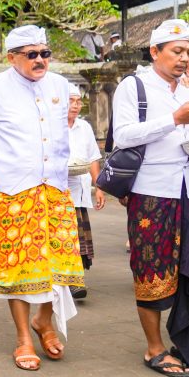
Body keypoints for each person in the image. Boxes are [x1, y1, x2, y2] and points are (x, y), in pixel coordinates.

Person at [113, 19, 189, 377]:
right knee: (153, 272)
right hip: (152, 191)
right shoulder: (133, 86)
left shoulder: (188, 90)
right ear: (154, 52)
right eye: (177, 52)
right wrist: (173, 119)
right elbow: (124, 135)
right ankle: (155, 349)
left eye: (188, 53)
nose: (183, 60)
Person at [0, 25, 85, 371]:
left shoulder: (61, 86)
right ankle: (23, 337)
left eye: (44, 53)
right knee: (17, 269)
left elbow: (61, 136)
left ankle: (44, 321)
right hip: (11, 192)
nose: (40, 60)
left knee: (58, 266)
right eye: (31, 54)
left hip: (54, 189)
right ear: (12, 57)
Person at [66, 84, 105, 299]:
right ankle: (71, 280)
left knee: (79, 238)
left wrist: (98, 187)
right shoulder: (51, 128)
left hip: (80, 192)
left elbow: (92, 157)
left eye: (78, 101)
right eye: (70, 101)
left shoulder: (84, 127)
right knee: (66, 237)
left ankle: (76, 278)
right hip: (58, 193)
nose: (75, 105)